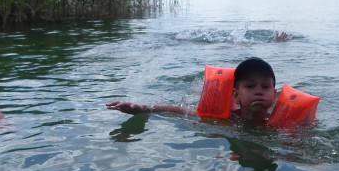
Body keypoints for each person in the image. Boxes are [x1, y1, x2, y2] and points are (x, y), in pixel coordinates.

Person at [106, 57, 278, 124]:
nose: (258, 91)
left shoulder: (278, 124)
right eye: (250, 86)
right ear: (235, 95)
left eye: (265, 86)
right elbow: (181, 111)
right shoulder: (227, 119)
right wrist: (144, 108)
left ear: (273, 95)